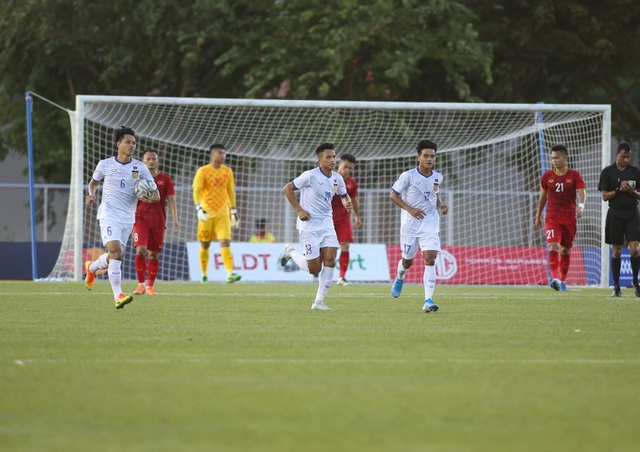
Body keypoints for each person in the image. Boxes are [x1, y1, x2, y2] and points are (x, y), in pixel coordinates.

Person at [84, 126, 159, 309]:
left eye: (134, 143)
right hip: (109, 214)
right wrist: (91, 194)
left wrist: (153, 198)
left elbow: (155, 192)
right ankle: (118, 295)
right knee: (117, 253)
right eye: (127, 142)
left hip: (128, 217)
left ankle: (91, 268)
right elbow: (93, 183)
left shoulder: (140, 167)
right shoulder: (105, 164)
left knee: (113, 255)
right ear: (118, 144)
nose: (131, 145)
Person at [278, 142, 353, 311]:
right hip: (309, 226)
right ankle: (290, 252)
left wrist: (347, 203)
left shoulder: (337, 178)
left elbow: (343, 195)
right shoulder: (309, 176)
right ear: (320, 159)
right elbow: (287, 188)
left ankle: (318, 302)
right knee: (314, 269)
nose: (332, 160)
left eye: (334, 156)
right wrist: (299, 209)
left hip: (327, 224)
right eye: (328, 157)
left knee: (330, 260)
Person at [389, 139, 448, 313]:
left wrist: (441, 204)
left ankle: (428, 300)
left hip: (430, 223)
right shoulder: (408, 176)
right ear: (418, 157)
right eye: (426, 156)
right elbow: (393, 195)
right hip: (410, 226)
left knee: (430, 258)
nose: (429, 159)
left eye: (432, 156)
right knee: (407, 261)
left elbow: (433, 194)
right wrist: (410, 209)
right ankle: (400, 276)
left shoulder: (438, 177)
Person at [535, 144, 586, 291]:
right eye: (552, 158)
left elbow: (582, 193)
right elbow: (543, 197)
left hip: (569, 218)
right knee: (553, 246)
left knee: (565, 250)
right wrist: (538, 215)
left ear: (565, 158)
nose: (554, 160)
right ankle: (555, 279)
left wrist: (581, 206)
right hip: (552, 218)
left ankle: (562, 281)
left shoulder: (575, 175)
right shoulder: (547, 176)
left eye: (557, 158)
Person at [193, 143, 241, 284]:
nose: (223, 156)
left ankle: (230, 273)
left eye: (224, 153)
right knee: (205, 244)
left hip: (223, 213)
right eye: (220, 153)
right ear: (212, 154)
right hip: (206, 213)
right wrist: (198, 208)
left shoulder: (228, 171)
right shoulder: (203, 171)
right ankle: (204, 275)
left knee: (225, 242)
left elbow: (230, 191)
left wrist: (234, 211)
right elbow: (196, 190)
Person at [133, 150, 179, 296]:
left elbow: (171, 199)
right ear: (143, 161)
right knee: (140, 250)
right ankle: (140, 285)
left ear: (157, 161)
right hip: (140, 219)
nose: (151, 161)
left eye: (154, 159)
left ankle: (150, 286)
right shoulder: (137, 178)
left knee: (153, 254)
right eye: (148, 159)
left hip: (158, 221)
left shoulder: (165, 179)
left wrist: (175, 219)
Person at [598, 142, 640, 297]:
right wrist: (618, 190)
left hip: (632, 213)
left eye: (628, 157)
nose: (626, 160)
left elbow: (639, 195)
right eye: (623, 157)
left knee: (635, 249)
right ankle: (616, 286)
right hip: (615, 213)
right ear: (617, 155)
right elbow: (604, 196)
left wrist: (632, 191)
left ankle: (636, 281)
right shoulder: (607, 172)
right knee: (616, 250)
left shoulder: (635, 172)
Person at [331, 153, 362, 286]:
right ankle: (317, 272)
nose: (348, 170)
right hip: (328, 217)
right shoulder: (329, 177)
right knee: (327, 248)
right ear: (339, 164)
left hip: (344, 218)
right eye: (346, 167)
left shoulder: (351, 182)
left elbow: (354, 200)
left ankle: (341, 277)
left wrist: (357, 216)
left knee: (345, 245)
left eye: (350, 168)